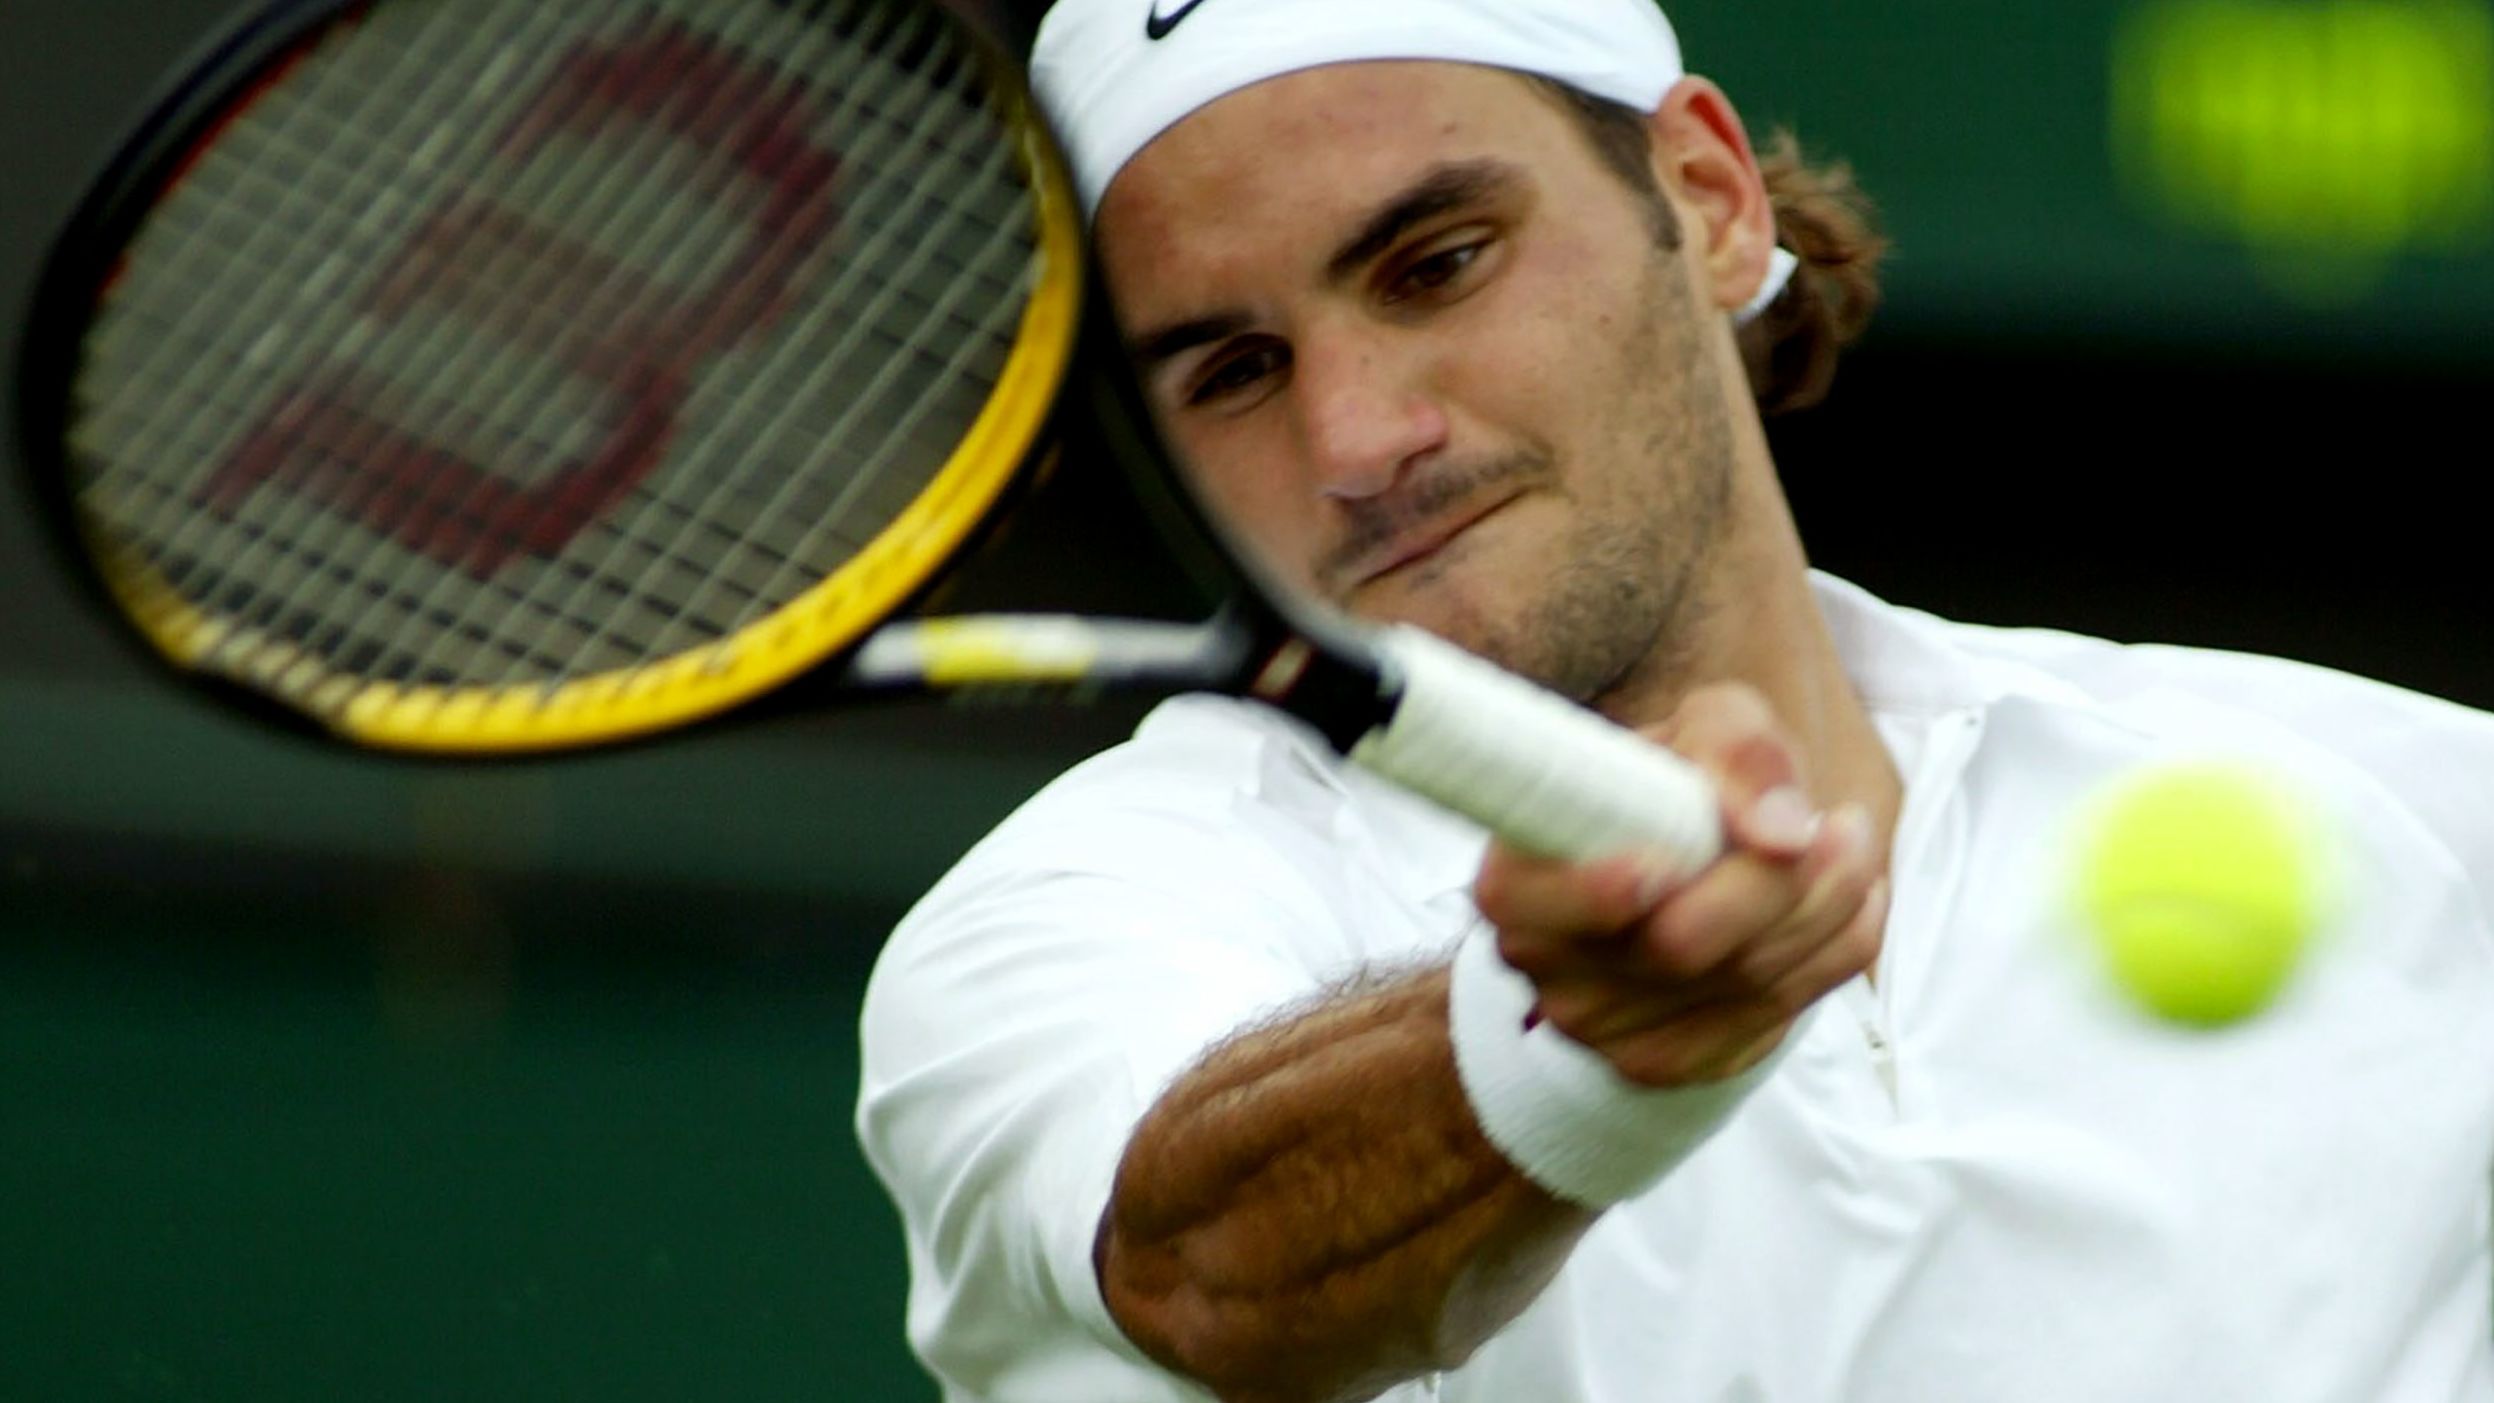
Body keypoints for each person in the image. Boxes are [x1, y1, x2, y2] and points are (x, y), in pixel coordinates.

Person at [857, 2, 2494, 1399]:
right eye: (1229, 371)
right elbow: (1200, 1267)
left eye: (1434, 264)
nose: (1357, 441)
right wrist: (1578, 1049)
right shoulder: (1057, 926)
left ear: (1705, 198)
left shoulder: (2422, 820)